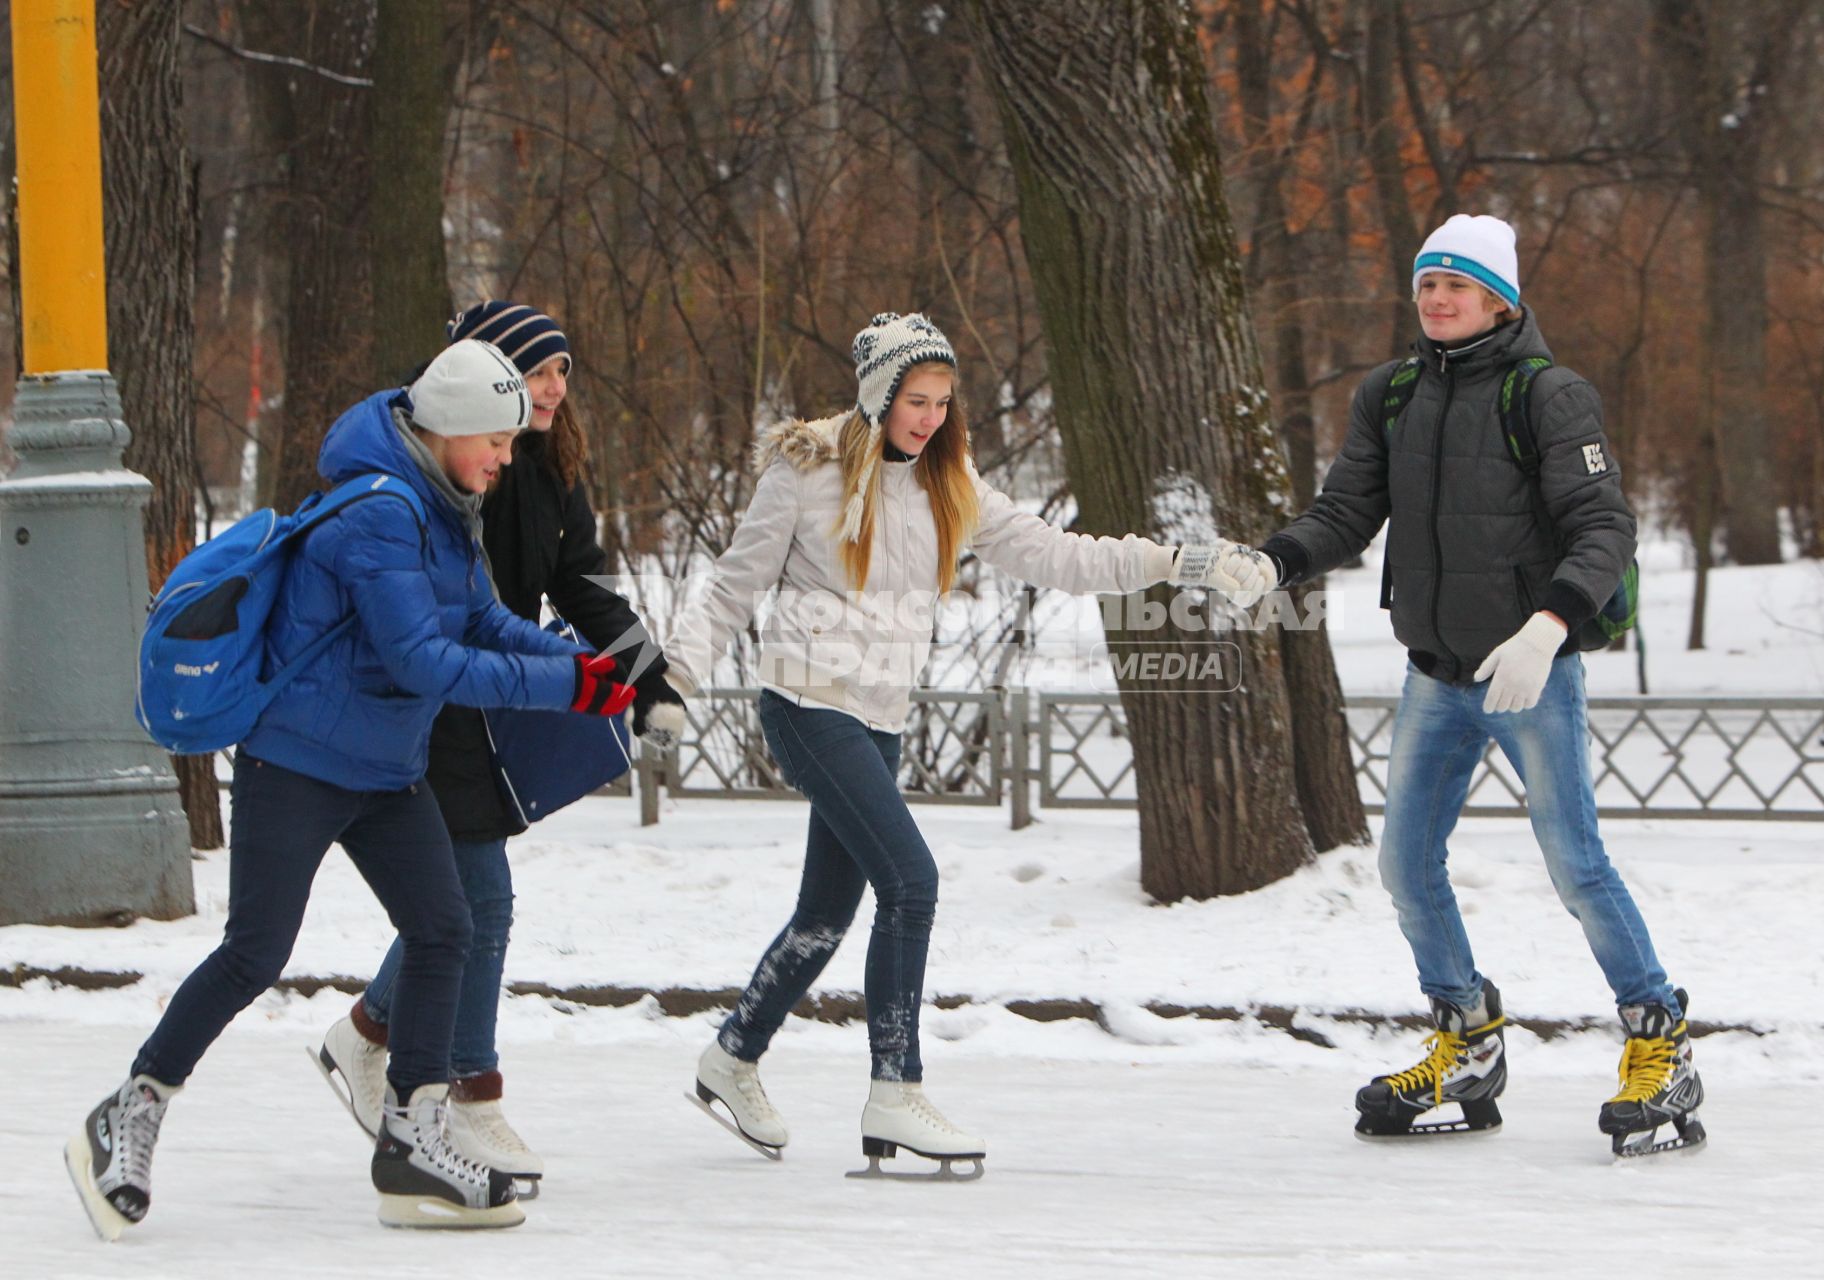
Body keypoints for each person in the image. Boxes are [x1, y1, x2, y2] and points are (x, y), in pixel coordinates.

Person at [66, 339, 644, 1237]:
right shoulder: (378, 512)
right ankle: (131, 1108)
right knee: (255, 952)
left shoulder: (448, 502)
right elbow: (422, 659)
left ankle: (412, 1139)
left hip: (384, 768)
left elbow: (485, 619)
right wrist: (564, 689)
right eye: (494, 438)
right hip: (296, 760)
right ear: (449, 428)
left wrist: (584, 665)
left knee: (446, 927)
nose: (505, 454)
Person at [654, 313, 1246, 1176]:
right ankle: (895, 1087)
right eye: (913, 399)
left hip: (879, 715)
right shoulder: (805, 469)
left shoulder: (950, 483)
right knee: (911, 882)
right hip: (808, 701)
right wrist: (673, 678)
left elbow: (1061, 556)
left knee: (827, 910)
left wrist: (1180, 562)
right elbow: (732, 586)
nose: (928, 417)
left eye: (941, 401)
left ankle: (733, 1056)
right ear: (877, 394)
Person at [1214, 214, 1703, 1155]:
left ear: (1500, 301)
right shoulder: (1392, 394)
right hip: (1436, 675)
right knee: (1405, 866)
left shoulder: (1549, 396)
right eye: (1426, 284)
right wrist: (1275, 562)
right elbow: (1348, 509)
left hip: (1531, 673)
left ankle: (1662, 1044)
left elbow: (1605, 526)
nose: (1436, 300)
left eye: (1458, 286)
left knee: (1577, 866)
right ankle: (1466, 1038)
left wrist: (1548, 627)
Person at [312, 302, 679, 1195]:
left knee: (457, 904)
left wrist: (649, 678)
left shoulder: (548, 466)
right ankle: (466, 1092)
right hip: (425, 694)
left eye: (560, 372)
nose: (554, 388)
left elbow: (583, 584)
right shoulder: (450, 462)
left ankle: (366, 1035)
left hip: (486, 695)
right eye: (535, 371)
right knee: (479, 898)